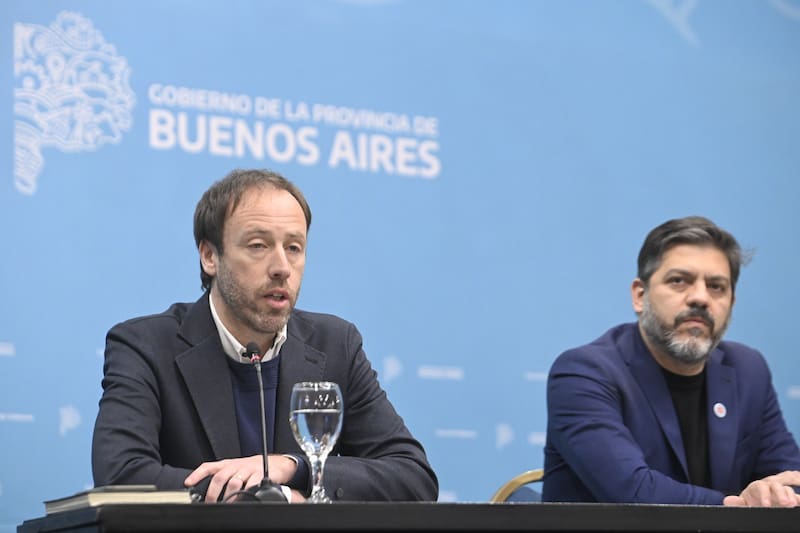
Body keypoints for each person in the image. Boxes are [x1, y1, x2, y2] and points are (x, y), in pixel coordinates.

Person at [92, 168, 438, 503]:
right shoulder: (146, 346)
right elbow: (122, 474)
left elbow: (412, 476)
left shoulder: (336, 345)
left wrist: (292, 468)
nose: (281, 268)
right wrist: (260, 496)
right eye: (258, 246)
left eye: (294, 248)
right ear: (210, 256)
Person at [542, 216, 800, 506]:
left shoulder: (748, 370)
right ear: (641, 296)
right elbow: (632, 492)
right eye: (679, 281)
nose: (701, 298)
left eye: (716, 286)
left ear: (731, 305)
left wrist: (779, 494)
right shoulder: (584, 373)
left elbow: (791, 477)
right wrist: (740, 505)